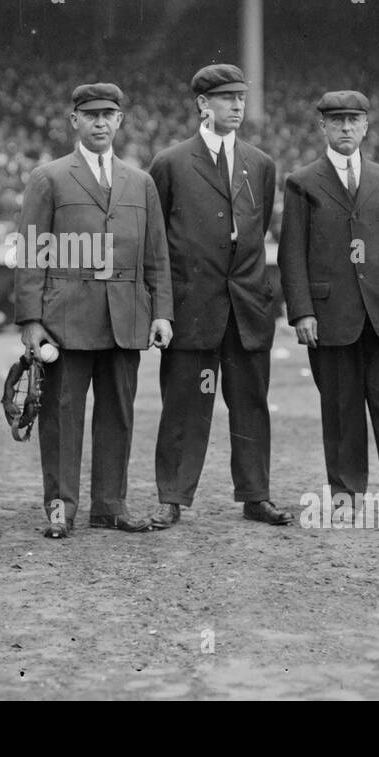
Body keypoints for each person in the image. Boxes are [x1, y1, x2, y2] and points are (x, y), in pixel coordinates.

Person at [14, 83, 173, 538]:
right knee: (62, 415)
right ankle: (60, 507)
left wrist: (161, 312)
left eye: (109, 114)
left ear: (120, 121)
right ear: (75, 121)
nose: (101, 122)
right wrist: (31, 320)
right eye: (91, 115)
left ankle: (110, 506)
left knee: (118, 413)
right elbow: (30, 251)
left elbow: (157, 255)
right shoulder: (50, 177)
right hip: (67, 321)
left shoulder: (140, 182)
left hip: (126, 318)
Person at [277, 90, 379, 528]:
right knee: (341, 409)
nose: (346, 127)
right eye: (337, 120)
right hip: (330, 316)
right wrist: (302, 312)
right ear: (322, 127)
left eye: (354, 120)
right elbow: (292, 255)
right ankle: (346, 496)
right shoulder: (302, 182)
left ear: (366, 126)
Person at [147, 64, 292, 529]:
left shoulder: (260, 164)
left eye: (241, 99)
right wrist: (163, 308)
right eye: (226, 99)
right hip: (192, 308)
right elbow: (157, 241)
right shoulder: (170, 163)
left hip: (247, 307)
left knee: (251, 402)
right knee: (185, 405)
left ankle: (256, 495)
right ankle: (172, 497)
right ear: (203, 105)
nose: (236, 107)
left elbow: (256, 230)